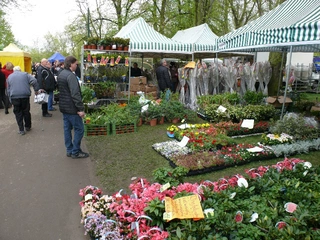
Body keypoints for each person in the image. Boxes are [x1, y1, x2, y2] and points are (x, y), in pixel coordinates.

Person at [57, 55, 89, 159]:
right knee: (79, 129)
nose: (77, 65)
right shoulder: (71, 76)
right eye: (76, 64)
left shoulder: (61, 74)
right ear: (71, 64)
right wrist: (80, 109)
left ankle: (69, 150)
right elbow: (75, 94)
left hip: (64, 106)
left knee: (67, 129)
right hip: (72, 108)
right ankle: (75, 151)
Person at [6, 66, 39, 135]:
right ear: (20, 70)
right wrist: (36, 90)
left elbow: (8, 90)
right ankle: (28, 126)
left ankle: (21, 129)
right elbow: (34, 81)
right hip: (25, 96)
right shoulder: (25, 74)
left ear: (13, 70)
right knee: (26, 111)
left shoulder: (9, 77)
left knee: (18, 113)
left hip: (14, 97)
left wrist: (10, 100)